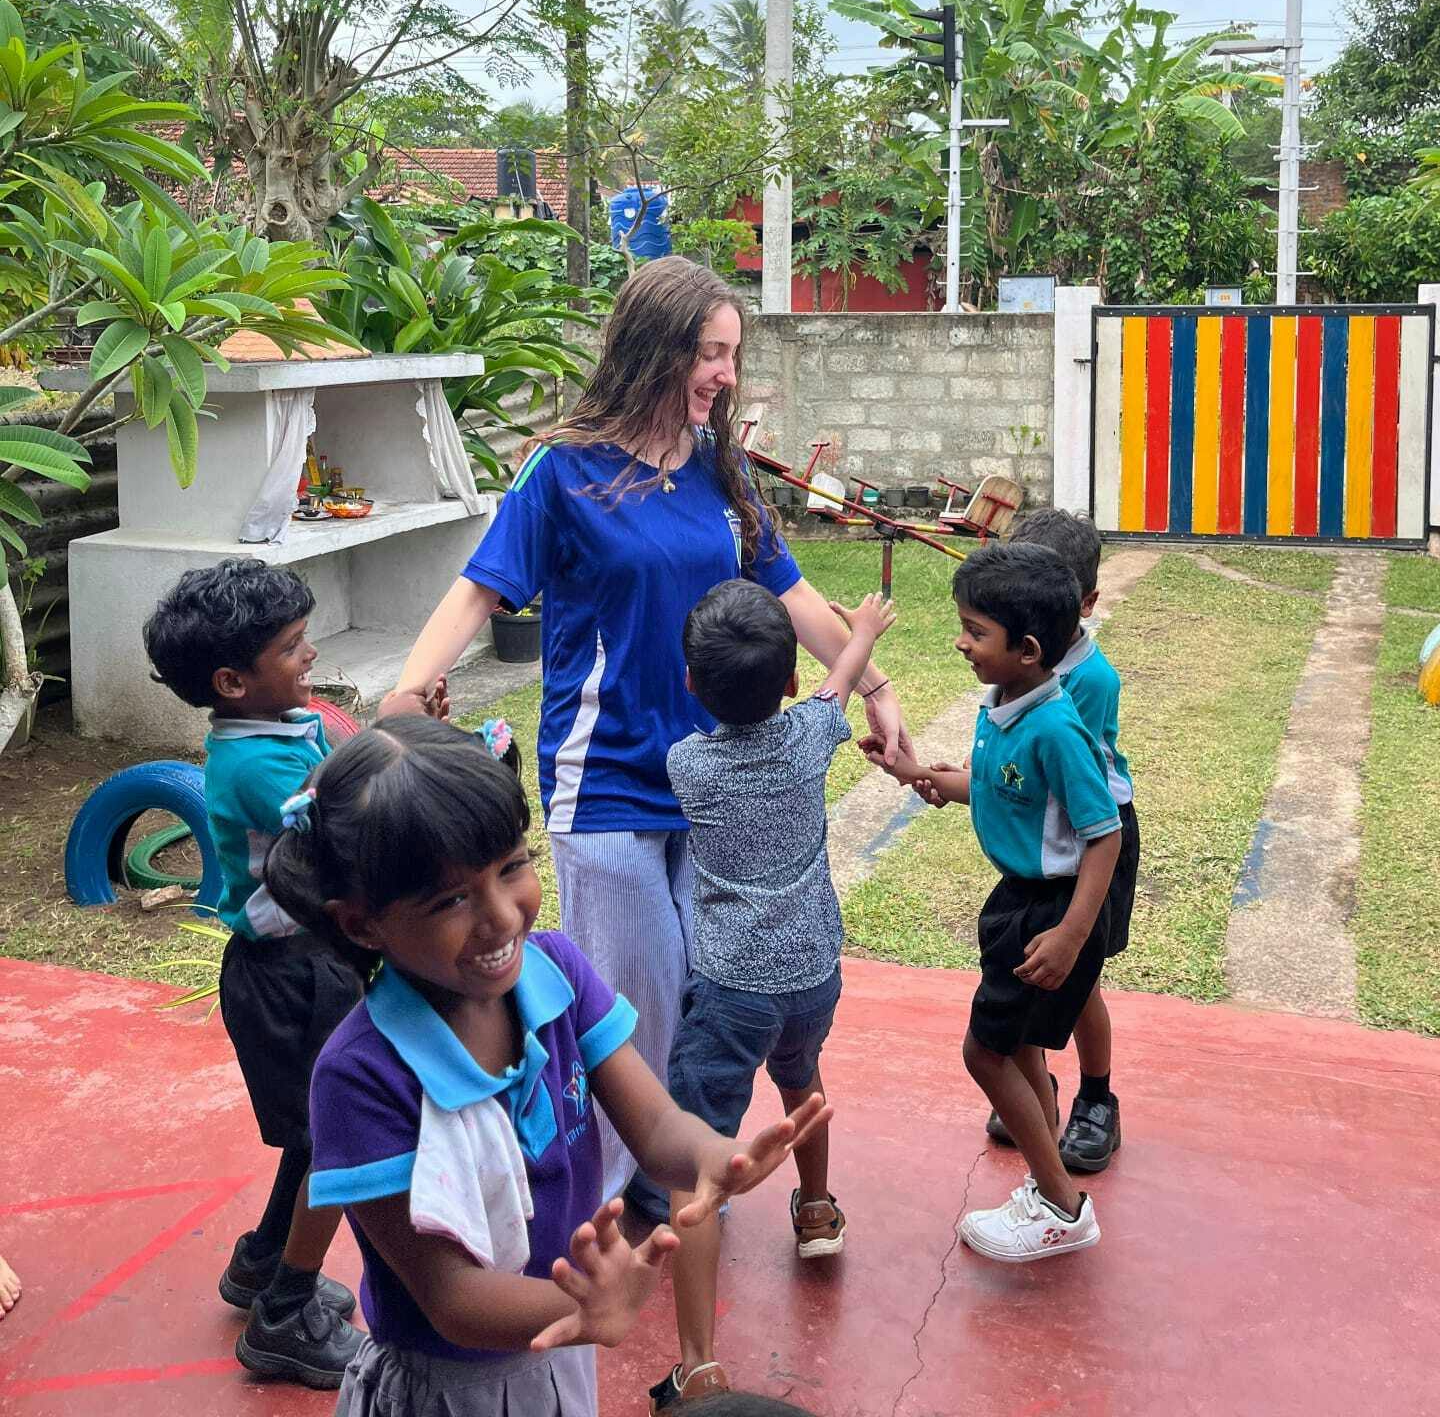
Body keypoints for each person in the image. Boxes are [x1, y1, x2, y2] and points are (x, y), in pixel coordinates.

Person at [381, 256, 909, 1222]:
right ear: (654, 349)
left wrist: (875, 686)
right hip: (609, 781)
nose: (725, 375)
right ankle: (627, 1199)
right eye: (709, 353)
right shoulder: (565, 469)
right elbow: (481, 587)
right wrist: (410, 688)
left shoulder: (722, 462)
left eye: (733, 355)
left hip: (712, 783)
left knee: (704, 991)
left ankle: (655, 1188)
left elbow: (789, 590)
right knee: (643, 999)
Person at [263, 717, 830, 1417]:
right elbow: (451, 1299)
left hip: (557, 1350)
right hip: (448, 1390)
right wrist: (587, 1307)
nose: (502, 916)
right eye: (450, 900)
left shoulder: (556, 972)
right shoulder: (361, 1076)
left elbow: (653, 1127)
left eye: (511, 866)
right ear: (360, 923)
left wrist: (714, 1155)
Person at [650, 578, 896, 1410]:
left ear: (691, 684)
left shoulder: (688, 765)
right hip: (811, 976)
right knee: (801, 1080)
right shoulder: (811, 736)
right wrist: (860, 630)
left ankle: (698, 1360)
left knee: (696, 1155)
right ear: (788, 681)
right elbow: (840, 680)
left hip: (728, 990)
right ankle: (818, 1208)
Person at [864, 540, 1121, 1264]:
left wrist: (1072, 934)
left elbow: (1104, 837)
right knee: (1019, 1049)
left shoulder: (1056, 727)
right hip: (1018, 900)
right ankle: (1049, 1190)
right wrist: (912, 771)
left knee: (985, 1052)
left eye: (977, 631)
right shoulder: (1007, 703)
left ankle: (1064, 1209)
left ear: (1029, 649)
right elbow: (1001, 789)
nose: (961, 641)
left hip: (1050, 908)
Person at [143, 561, 366, 1389]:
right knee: (341, 1140)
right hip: (289, 974)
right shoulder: (257, 768)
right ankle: (282, 1320)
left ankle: (262, 1265)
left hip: (311, 964)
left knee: (316, 1136)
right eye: (290, 646)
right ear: (233, 682)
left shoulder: (283, 724)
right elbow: (348, 823)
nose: (309, 655)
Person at [1001, 508, 1136, 1173]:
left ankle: (1097, 1100)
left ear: (1084, 603)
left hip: (1092, 837)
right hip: (1041, 835)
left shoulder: (1085, 680)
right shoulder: (1018, 659)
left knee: (1077, 979)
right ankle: (1034, 1085)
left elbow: (1070, 790)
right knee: (1029, 965)